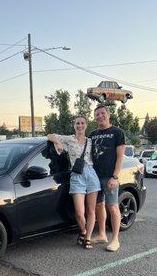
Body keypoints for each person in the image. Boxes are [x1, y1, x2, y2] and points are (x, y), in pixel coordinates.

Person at [47, 116, 101, 249]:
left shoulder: (91, 141)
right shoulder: (69, 139)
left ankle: (87, 237)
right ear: (74, 125)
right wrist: (58, 143)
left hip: (91, 175)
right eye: (78, 123)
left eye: (82, 123)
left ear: (86, 125)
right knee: (79, 212)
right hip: (77, 176)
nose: (80, 126)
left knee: (91, 210)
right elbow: (50, 135)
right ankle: (82, 231)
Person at [89, 104, 126, 252]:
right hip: (94, 178)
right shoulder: (92, 134)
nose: (100, 116)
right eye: (97, 114)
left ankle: (115, 239)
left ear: (108, 115)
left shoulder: (117, 132)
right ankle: (102, 234)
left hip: (109, 177)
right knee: (99, 206)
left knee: (112, 206)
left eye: (102, 113)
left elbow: (120, 157)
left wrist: (115, 177)